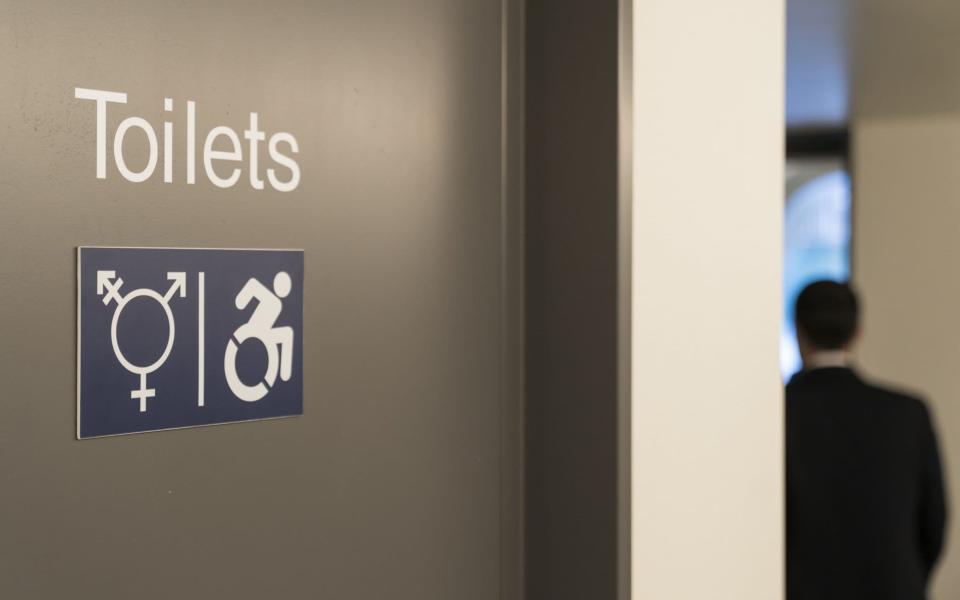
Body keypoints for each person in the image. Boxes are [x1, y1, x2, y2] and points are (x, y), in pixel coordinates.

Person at [787, 280, 947, 600]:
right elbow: (934, 521)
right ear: (857, 331)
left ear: (798, 331)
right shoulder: (907, 413)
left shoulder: (776, 413)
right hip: (893, 588)